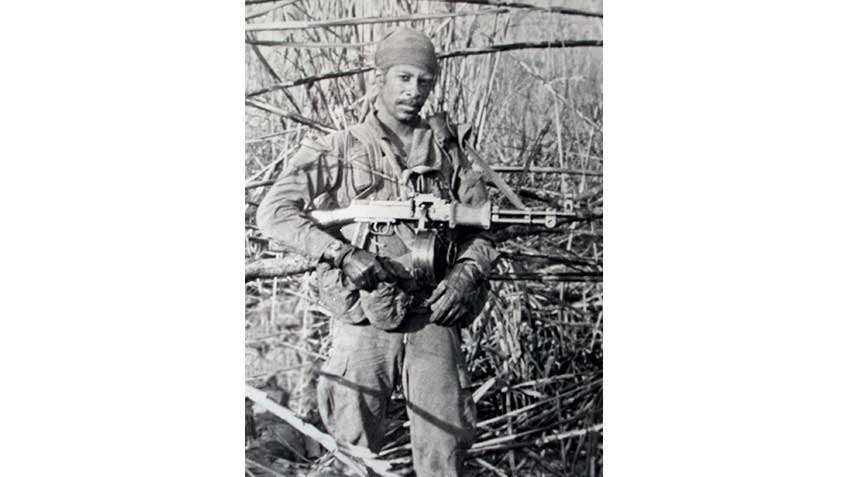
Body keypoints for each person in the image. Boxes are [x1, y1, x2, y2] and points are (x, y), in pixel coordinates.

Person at [256, 27, 498, 477]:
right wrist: (341, 254)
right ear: (379, 78)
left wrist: (467, 274)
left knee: (445, 449)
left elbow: (485, 229)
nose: (414, 91)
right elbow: (273, 213)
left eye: (424, 82)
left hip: (434, 316)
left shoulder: (451, 153)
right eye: (404, 78)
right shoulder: (340, 148)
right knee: (354, 448)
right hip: (364, 319)